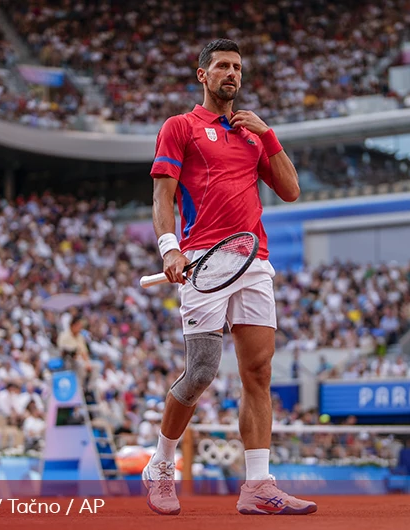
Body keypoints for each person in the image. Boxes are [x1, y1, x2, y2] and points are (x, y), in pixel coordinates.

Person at [143, 39, 312, 516]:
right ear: (202, 74)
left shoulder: (253, 134)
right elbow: (162, 197)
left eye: (237, 67)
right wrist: (169, 247)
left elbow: (292, 190)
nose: (230, 73)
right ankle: (160, 464)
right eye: (221, 66)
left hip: (254, 260)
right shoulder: (180, 127)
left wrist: (269, 133)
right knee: (201, 372)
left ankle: (257, 485)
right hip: (203, 258)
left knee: (258, 373)